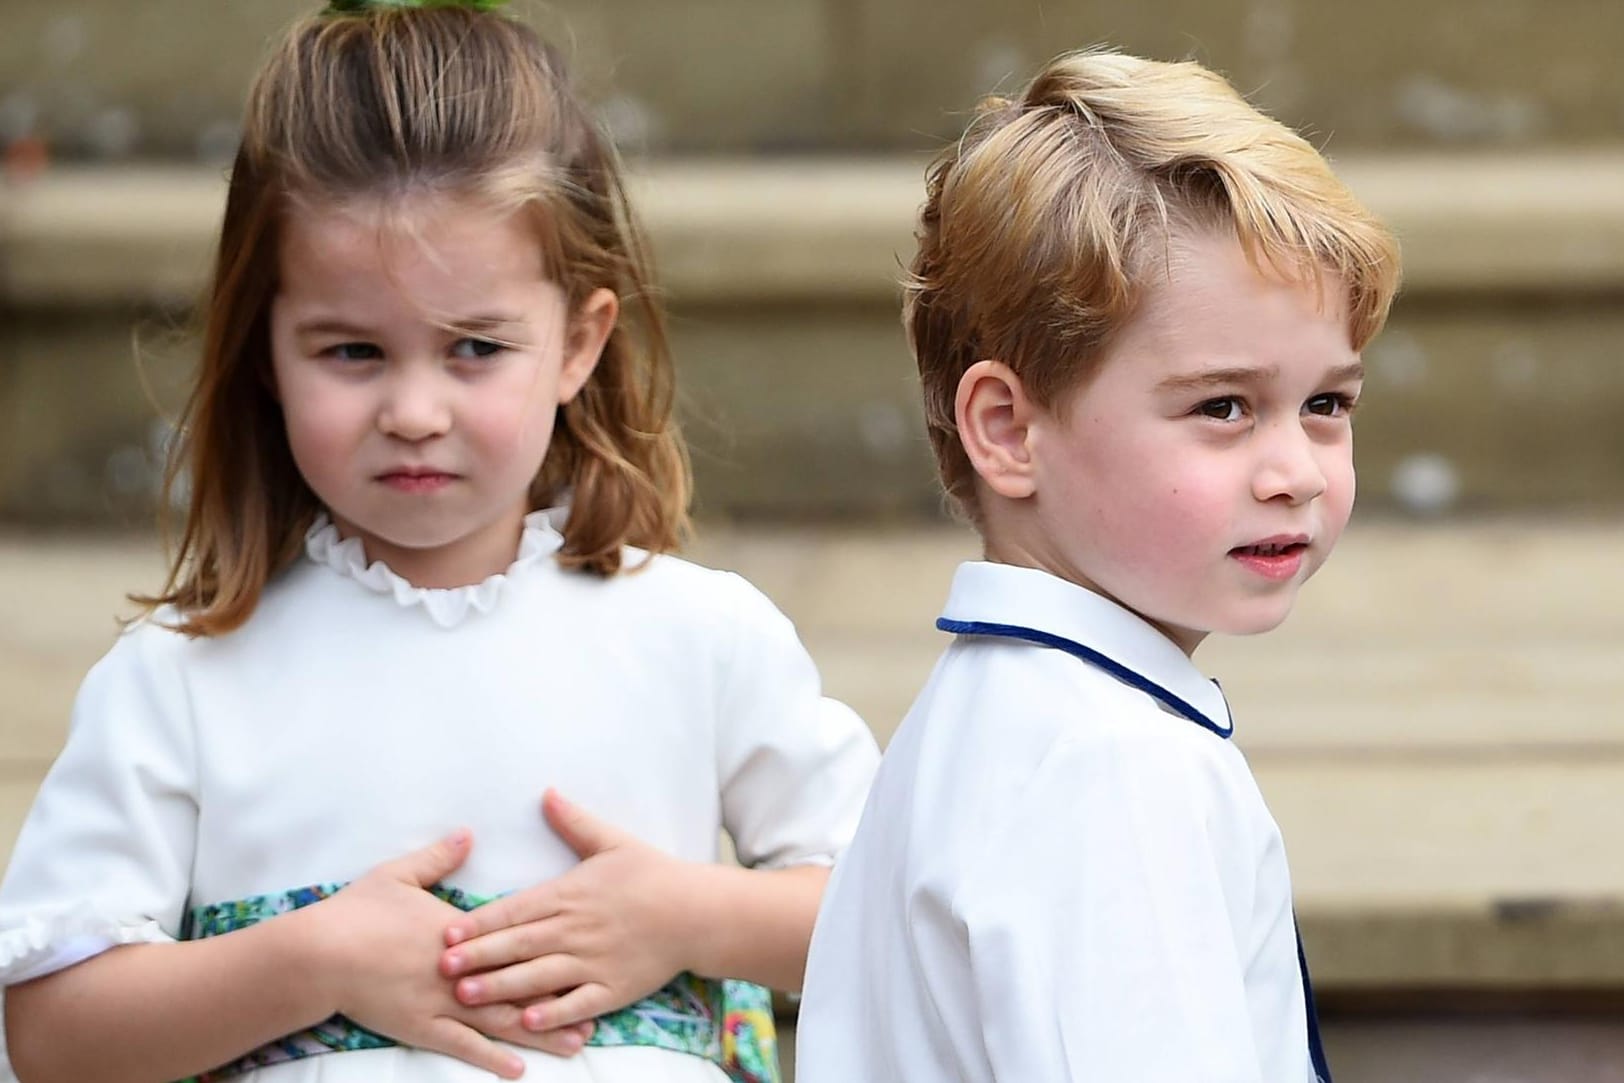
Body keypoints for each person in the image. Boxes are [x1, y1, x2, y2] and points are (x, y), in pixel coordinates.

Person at [0, 3, 878, 1081]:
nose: (414, 409)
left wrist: (690, 916)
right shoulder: (182, 681)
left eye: (474, 347)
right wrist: (306, 963)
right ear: (265, 352)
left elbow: (895, 911)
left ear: (577, 343)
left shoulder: (702, 637)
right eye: (353, 350)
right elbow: (51, 1033)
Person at [795, 48, 1400, 1083]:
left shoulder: (1004, 720)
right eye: (1223, 407)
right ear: (1008, 430)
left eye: (1325, 405)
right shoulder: (1111, 771)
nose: (1295, 471)